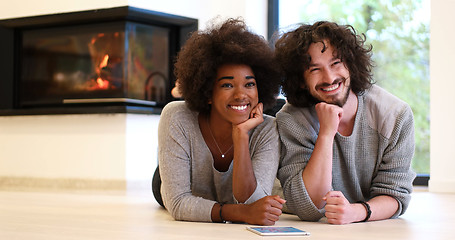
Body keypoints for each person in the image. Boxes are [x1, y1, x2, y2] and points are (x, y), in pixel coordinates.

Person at [273, 21, 416, 225]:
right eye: (315, 69)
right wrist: (326, 133)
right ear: (301, 80)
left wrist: (356, 212)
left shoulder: (394, 115)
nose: (329, 78)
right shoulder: (292, 119)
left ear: (350, 63)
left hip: (363, 219)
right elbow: (308, 206)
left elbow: (396, 195)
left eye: (336, 63)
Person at [156, 18, 285, 225]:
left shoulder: (268, 128)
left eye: (249, 84)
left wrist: (241, 135)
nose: (241, 95)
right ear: (207, 92)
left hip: (223, 194)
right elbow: (179, 203)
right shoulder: (176, 117)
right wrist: (240, 213)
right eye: (227, 85)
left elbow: (255, 203)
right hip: (184, 177)